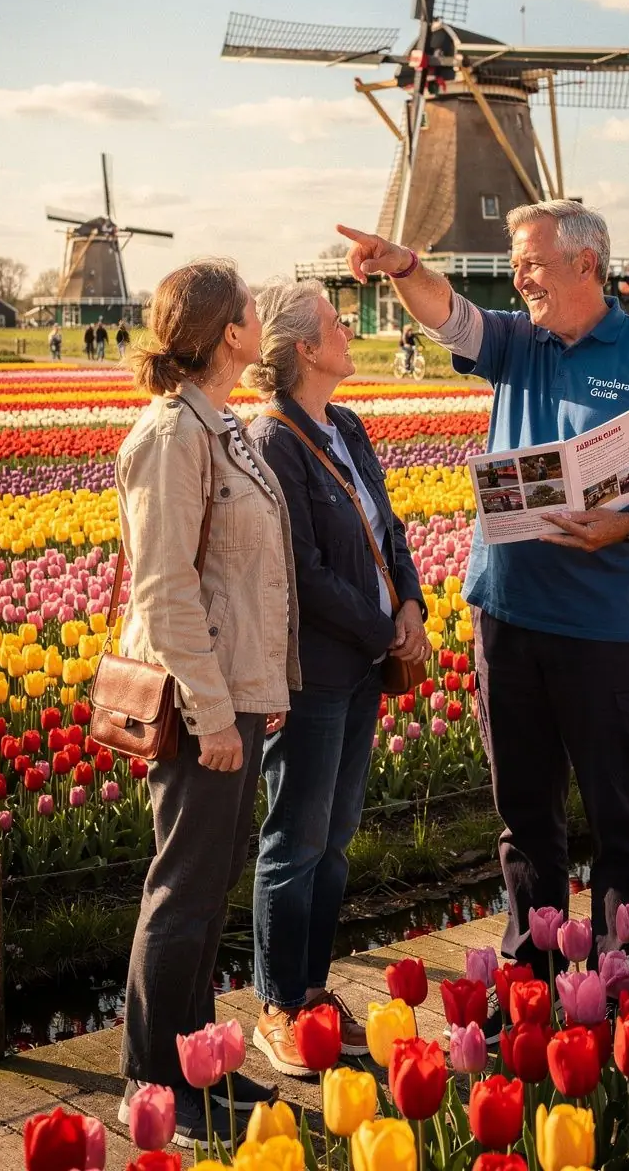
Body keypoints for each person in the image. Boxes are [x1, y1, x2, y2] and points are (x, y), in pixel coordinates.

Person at [337, 202, 629, 1008]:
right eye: (516, 263)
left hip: (605, 626)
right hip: (506, 618)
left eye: (533, 262)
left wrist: (628, 521)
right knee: (525, 816)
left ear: (586, 264)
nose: (520, 278)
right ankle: (531, 984)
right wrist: (404, 267)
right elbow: (450, 315)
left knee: (620, 817)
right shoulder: (518, 342)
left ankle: (622, 992)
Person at [115, 259, 300, 1150]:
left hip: (236, 690)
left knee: (210, 881)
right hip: (201, 702)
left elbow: (248, 573)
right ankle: (150, 1084)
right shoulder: (171, 435)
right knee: (183, 889)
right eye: (253, 310)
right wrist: (215, 712)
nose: (261, 318)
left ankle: (194, 1068)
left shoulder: (218, 424)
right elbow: (166, 589)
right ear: (229, 333)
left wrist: (265, 688)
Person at [246, 279, 427, 1077]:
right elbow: (304, 573)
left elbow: (388, 528)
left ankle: (314, 989)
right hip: (314, 673)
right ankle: (277, 1004)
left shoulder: (346, 424)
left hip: (363, 668)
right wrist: (383, 627)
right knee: (296, 839)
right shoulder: (274, 440)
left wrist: (412, 601)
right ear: (304, 349)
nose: (348, 327)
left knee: (337, 839)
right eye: (335, 320)